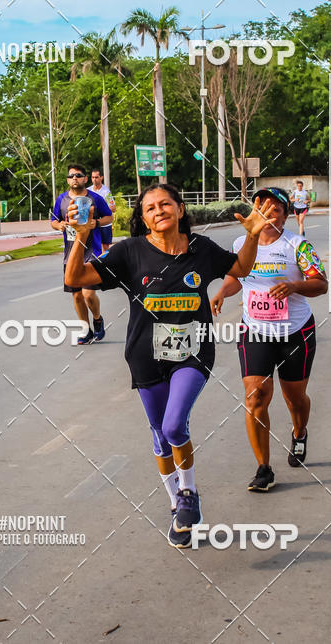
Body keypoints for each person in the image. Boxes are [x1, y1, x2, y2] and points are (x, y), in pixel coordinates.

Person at [65, 183, 274, 548]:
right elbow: (74, 279)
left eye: (165, 204)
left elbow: (240, 267)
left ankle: (189, 494)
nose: (158, 210)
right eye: (149, 208)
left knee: (174, 425)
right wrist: (80, 237)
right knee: (160, 437)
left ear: (180, 209)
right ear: (143, 219)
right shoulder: (130, 252)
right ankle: (177, 506)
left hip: (193, 353)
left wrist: (252, 237)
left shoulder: (201, 249)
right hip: (144, 356)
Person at [211, 187, 328, 493]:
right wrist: (223, 292)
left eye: (276, 208)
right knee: (255, 398)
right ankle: (264, 468)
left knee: (295, 399)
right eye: (263, 206)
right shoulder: (242, 242)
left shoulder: (297, 245)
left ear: (286, 215)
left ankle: (299, 432)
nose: (268, 212)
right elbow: (237, 276)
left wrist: (294, 286)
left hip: (295, 333)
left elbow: (321, 284)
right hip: (256, 331)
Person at [51, 163, 112, 344]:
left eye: (78, 175)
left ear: (85, 179)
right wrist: (59, 225)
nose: (74, 178)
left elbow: (109, 217)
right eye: (71, 176)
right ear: (68, 180)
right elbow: (54, 221)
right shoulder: (61, 199)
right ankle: (85, 330)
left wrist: (96, 223)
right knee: (77, 295)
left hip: (91, 252)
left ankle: (98, 319)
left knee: (88, 294)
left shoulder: (95, 198)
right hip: (71, 253)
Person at [88, 169, 116, 253]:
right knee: (93, 245)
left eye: (96, 177)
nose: (94, 179)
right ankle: (95, 264)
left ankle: (105, 264)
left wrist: (101, 209)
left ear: (101, 178)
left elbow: (113, 208)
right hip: (93, 223)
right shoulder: (88, 191)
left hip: (105, 223)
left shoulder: (106, 192)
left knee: (105, 246)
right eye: (92, 177)